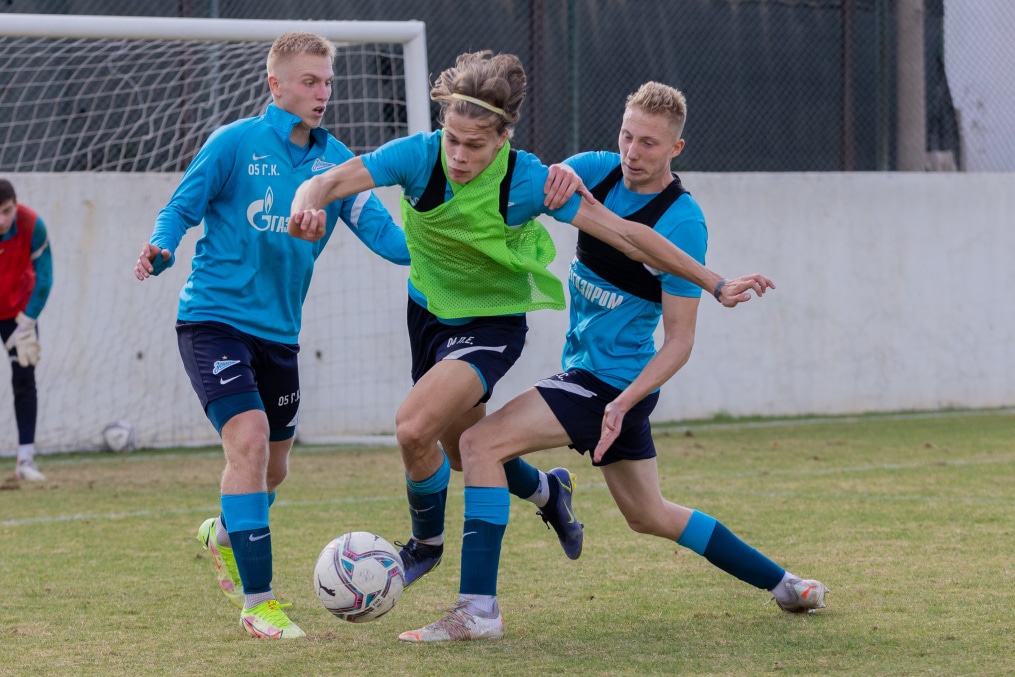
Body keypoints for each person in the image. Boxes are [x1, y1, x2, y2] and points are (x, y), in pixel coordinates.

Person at [289, 53, 771, 595]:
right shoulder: (419, 156)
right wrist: (306, 206)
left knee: (414, 428)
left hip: (496, 325)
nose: (459, 156)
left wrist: (714, 282)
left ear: (503, 139)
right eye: (452, 139)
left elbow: (629, 236)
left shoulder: (530, 181)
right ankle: (548, 492)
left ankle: (429, 549)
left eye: (475, 145)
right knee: (461, 451)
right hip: (427, 314)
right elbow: (328, 182)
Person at [397, 81, 827, 643]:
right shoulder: (594, 171)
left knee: (479, 445)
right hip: (588, 375)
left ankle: (478, 610)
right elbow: (522, 184)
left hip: (613, 382)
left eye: (649, 143)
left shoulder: (681, 221)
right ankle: (786, 584)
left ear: (676, 148)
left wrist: (625, 401)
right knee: (649, 514)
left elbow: (679, 341)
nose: (632, 152)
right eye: (627, 136)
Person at [133, 32, 412, 640]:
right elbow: (180, 208)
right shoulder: (234, 143)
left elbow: (389, 241)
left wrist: (449, 246)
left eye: (328, 82)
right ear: (275, 84)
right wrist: (161, 246)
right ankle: (258, 604)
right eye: (309, 81)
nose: (322, 93)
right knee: (250, 440)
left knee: (274, 470)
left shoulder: (338, 165)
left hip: (280, 336)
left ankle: (225, 532)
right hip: (212, 320)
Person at [0, 179, 53, 483]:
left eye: (7, 211)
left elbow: (45, 277)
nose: (1, 220)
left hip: (18, 312)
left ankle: (25, 460)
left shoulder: (33, 225)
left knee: (24, 379)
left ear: (15, 204)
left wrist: (28, 322)